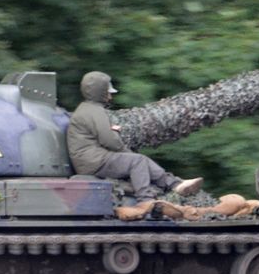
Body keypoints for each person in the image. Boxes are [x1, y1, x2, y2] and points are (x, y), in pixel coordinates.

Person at [66, 71, 202, 202]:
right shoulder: (94, 112)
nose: (110, 97)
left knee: (140, 159)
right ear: (100, 92)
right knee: (136, 161)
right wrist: (125, 150)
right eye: (108, 92)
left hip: (93, 159)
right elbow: (110, 140)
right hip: (93, 162)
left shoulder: (89, 110)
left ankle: (175, 184)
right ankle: (146, 199)